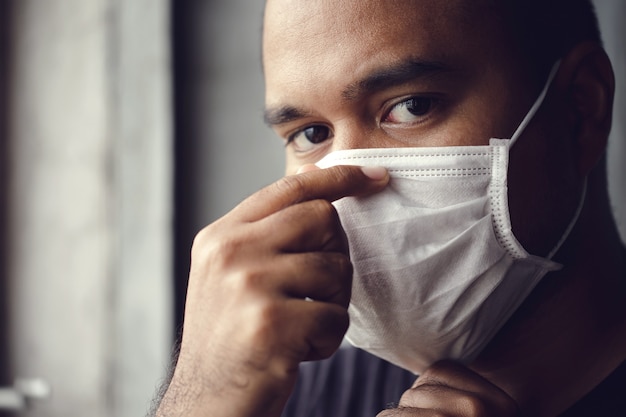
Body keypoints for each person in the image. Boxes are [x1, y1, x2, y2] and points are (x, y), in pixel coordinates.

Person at [153, 1, 626, 416]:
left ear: (579, 110)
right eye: (311, 134)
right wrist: (201, 398)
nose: (348, 183)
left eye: (412, 106)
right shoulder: (288, 397)